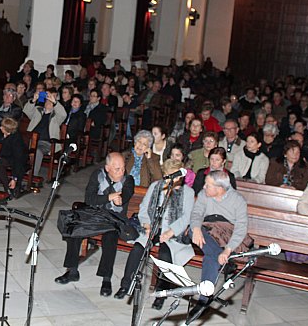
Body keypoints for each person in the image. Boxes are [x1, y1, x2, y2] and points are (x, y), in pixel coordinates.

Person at [114, 159, 195, 307]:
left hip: (172, 234)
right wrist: (146, 224)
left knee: (165, 255)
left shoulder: (188, 192)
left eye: (176, 176)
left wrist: (171, 232)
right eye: (170, 176)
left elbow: (187, 217)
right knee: (138, 248)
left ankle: (161, 293)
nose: (174, 180)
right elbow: (144, 207)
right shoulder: (155, 187)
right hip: (152, 228)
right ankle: (126, 285)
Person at [55, 153, 134, 297]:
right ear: (107, 168)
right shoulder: (97, 175)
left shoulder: (128, 180)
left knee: (110, 238)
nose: (121, 172)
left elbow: (126, 195)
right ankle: (72, 271)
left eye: (123, 168)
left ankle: (106, 279)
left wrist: (119, 200)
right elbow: (90, 199)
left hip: (114, 219)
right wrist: (109, 197)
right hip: (95, 215)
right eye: (117, 169)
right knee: (74, 230)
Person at [189, 171, 249, 300]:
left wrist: (227, 250)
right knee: (192, 231)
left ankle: (203, 300)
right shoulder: (203, 194)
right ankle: (204, 299)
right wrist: (197, 228)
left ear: (220, 188)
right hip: (206, 231)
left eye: (208, 185)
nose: (204, 187)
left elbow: (240, 228)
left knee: (211, 257)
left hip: (225, 237)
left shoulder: (238, 200)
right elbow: (196, 214)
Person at [23, 88, 67, 178]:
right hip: (31, 140)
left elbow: (63, 114)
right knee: (16, 146)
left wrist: (55, 102)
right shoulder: (38, 110)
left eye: (51, 100)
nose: (49, 101)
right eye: (47, 99)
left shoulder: (56, 116)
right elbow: (26, 111)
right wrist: (33, 100)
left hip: (46, 143)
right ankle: (16, 174)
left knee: (37, 151)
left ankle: (32, 177)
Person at [0, 117, 29, 198]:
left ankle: (8, 187)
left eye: (2, 127)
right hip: (4, 156)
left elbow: (18, 159)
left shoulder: (16, 140)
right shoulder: (2, 134)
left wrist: (15, 178)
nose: (0, 128)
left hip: (15, 158)